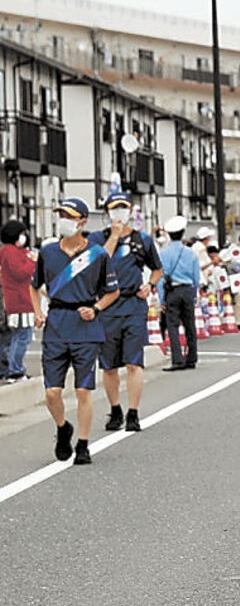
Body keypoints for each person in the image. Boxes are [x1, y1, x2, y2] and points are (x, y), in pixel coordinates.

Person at [31, 198, 120, 464]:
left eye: (69, 216)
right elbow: (34, 285)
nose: (64, 221)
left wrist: (96, 308)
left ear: (82, 221)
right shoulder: (48, 253)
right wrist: (37, 311)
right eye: (60, 215)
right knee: (52, 392)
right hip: (57, 325)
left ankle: (82, 444)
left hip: (85, 328)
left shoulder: (97, 254)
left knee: (83, 390)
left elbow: (112, 291)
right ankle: (62, 428)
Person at [90, 192, 163, 433]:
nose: (119, 212)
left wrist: (149, 286)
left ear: (130, 210)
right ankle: (115, 409)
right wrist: (113, 235)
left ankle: (133, 412)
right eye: (114, 208)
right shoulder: (96, 239)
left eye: (123, 208)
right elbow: (97, 262)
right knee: (109, 365)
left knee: (134, 362)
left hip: (133, 305)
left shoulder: (142, 240)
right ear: (107, 212)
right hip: (107, 307)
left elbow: (157, 269)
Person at [157, 216, 202, 371]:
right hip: (188, 290)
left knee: (173, 326)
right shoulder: (191, 253)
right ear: (183, 233)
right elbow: (197, 276)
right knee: (190, 325)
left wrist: (161, 299)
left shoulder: (163, 253)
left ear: (169, 234)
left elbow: (160, 278)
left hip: (172, 292)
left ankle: (177, 360)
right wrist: (195, 292)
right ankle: (192, 358)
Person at [1, 219, 37, 382]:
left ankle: (11, 368)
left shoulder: (13, 251)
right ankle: (15, 369)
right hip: (19, 300)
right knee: (23, 336)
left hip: (19, 299)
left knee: (15, 337)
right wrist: (32, 261)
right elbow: (20, 273)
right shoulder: (10, 252)